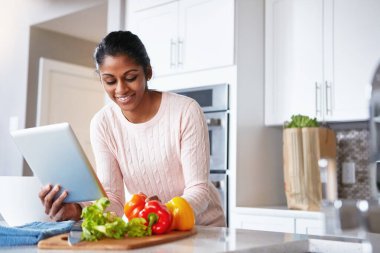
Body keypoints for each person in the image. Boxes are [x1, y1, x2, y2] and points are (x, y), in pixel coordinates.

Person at [38, 30, 226, 227]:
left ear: (148, 72)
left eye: (130, 77)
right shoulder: (103, 124)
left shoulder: (185, 111)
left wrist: (161, 213)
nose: (121, 89)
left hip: (202, 227)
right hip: (153, 229)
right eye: (110, 80)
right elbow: (114, 200)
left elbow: (199, 190)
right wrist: (77, 210)